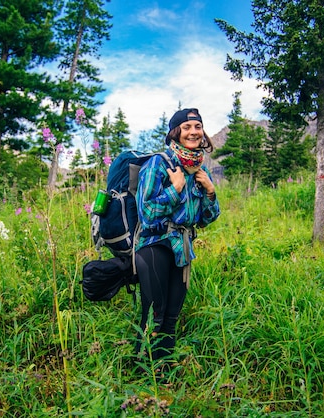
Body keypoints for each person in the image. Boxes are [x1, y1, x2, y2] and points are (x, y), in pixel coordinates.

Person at [134, 108, 220, 375]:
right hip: (154, 245)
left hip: (182, 249)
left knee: (171, 316)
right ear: (175, 133)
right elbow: (146, 214)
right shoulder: (158, 164)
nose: (193, 132)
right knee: (154, 314)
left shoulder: (199, 170)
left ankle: (164, 369)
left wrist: (210, 191)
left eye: (198, 126)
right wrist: (175, 189)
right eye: (187, 127)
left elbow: (206, 219)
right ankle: (142, 371)